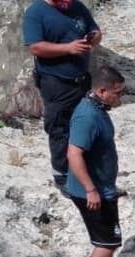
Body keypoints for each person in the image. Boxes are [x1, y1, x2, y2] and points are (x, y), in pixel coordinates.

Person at [22, 0, 103, 192]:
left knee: (84, 124)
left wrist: (95, 38)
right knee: (59, 129)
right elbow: (35, 47)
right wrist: (68, 48)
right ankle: (62, 175)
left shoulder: (77, 7)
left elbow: (95, 30)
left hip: (81, 81)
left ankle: (83, 169)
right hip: (55, 82)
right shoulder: (36, 12)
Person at [67, 66, 127, 257]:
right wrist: (90, 189)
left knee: (112, 237)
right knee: (107, 241)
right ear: (102, 91)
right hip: (92, 192)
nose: (120, 98)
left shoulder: (99, 109)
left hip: (105, 188)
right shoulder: (87, 116)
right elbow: (74, 154)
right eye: (118, 93)